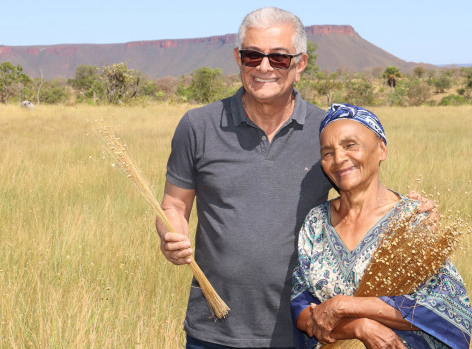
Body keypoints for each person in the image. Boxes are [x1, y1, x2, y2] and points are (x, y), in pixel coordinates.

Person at [156, 7, 436, 348]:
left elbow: (363, 196)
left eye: (278, 59)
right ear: (237, 58)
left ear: (300, 64)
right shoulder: (198, 126)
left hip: (303, 329)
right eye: (252, 56)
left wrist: (412, 213)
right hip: (213, 330)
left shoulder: (324, 135)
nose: (263, 67)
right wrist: (173, 234)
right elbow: (173, 204)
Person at [291, 104, 472, 348]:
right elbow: (302, 310)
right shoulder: (316, 223)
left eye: (350, 145)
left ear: (381, 149)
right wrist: (360, 326)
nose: (339, 159)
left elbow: (444, 309)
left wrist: (344, 305)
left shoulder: (412, 218)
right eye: (327, 153)